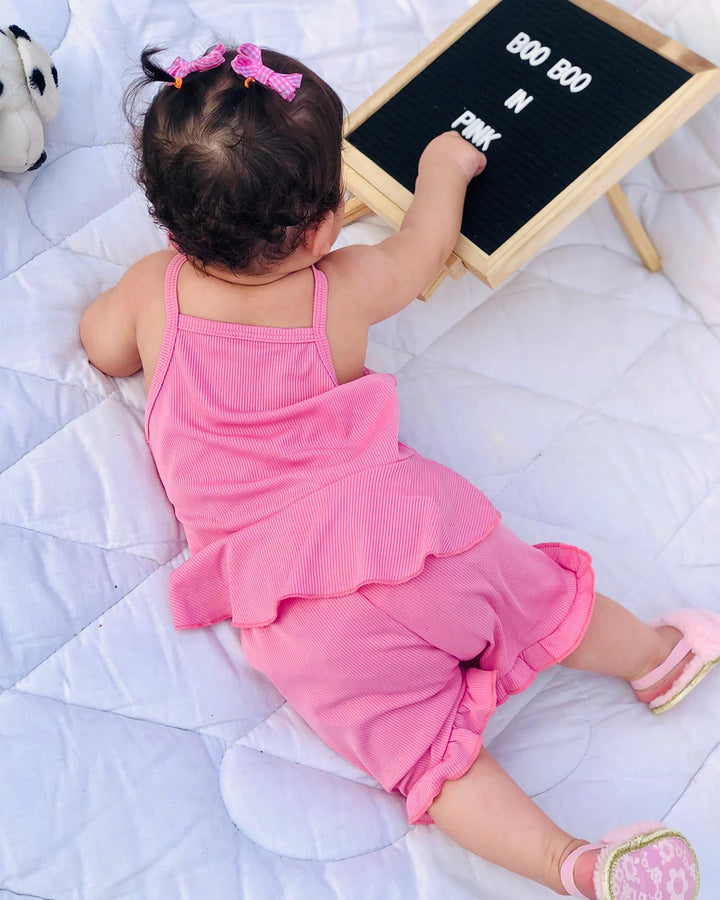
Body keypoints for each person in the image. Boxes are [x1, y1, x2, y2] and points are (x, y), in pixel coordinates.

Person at [80, 42, 718, 899]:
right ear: (319, 229)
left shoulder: (149, 287)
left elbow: (103, 349)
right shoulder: (339, 287)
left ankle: (574, 865)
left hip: (295, 608)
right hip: (406, 526)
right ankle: (657, 658)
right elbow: (424, 249)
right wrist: (442, 168)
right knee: (542, 601)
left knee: (429, 757)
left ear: (167, 217)